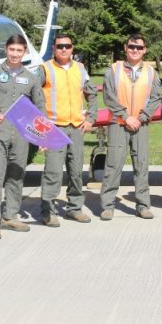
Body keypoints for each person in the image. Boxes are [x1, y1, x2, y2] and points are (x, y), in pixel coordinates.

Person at [0, 34, 46, 240]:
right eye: (11, 50)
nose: (15, 54)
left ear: (24, 52)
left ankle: (10, 215)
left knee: (16, 176)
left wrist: (42, 136)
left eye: (19, 51)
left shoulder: (31, 78)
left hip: (21, 135)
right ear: (6, 50)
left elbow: (40, 108)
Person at [37, 34, 98, 226]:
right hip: (54, 129)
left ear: (72, 48)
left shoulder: (80, 69)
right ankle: (48, 211)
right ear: (54, 48)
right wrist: (41, 128)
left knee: (76, 171)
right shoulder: (45, 69)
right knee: (53, 172)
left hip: (76, 128)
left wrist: (91, 118)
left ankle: (75, 208)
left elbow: (92, 94)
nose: (64, 49)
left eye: (67, 46)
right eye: (60, 46)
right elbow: (33, 96)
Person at [99, 34, 161, 219]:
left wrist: (140, 118)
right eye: (132, 46)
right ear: (125, 48)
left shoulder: (151, 72)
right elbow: (109, 96)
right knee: (113, 164)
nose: (135, 50)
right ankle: (108, 206)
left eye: (139, 48)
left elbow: (156, 97)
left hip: (140, 125)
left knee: (141, 165)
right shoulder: (114, 69)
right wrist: (126, 117)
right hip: (118, 123)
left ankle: (143, 205)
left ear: (145, 50)